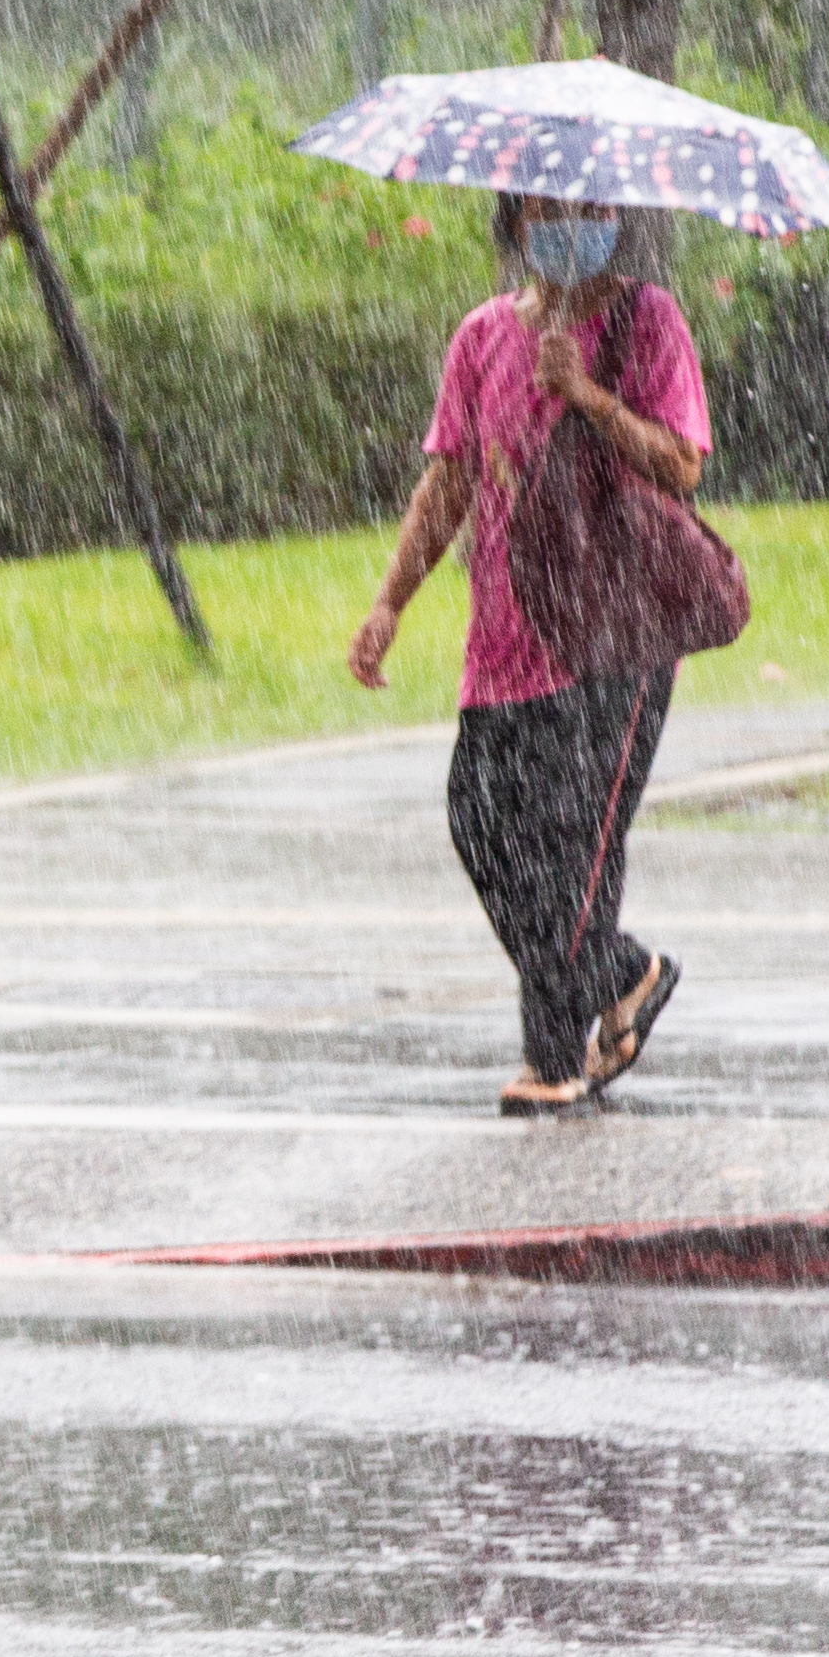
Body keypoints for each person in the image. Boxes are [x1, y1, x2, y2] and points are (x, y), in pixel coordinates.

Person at [349, 191, 713, 1118]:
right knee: (480, 821)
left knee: (569, 853)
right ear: (514, 222)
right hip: (504, 640)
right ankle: (626, 974)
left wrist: (587, 395)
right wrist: (391, 600)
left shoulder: (647, 321)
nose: (567, 223)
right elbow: (450, 481)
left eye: (588, 206)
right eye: (547, 208)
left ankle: (554, 1060)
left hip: (612, 638)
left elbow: (681, 464)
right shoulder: (480, 337)